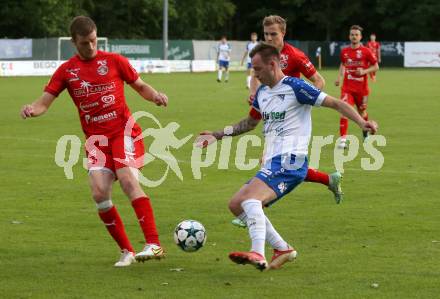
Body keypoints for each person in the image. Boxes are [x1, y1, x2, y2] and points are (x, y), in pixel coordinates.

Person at [196, 42, 378, 271]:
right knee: (236, 205)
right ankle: (282, 248)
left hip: (291, 160)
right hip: (274, 160)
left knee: (251, 202)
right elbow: (249, 123)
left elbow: (335, 103)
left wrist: (362, 122)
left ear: (272, 65)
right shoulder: (262, 93)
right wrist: (217, 135)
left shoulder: (295, 87)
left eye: (258, 69)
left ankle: (257, 252)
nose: (255, 74)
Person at [20, 16, 168, 267]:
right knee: (99, 193)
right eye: (84, 43)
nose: (90, 47)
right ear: (73, 42)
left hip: (124, 131)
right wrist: (32, 109)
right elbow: (44, 102)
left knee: (127, 179)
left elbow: (140, 85)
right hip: (96, 141)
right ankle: (127, 250)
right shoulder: (67, 71)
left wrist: (155, 96)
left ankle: (153, 244)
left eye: (93, 41)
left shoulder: (114, 61)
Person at [232, 15, 341, 230]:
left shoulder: (295, 55)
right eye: (266, 35)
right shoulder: (262, 53)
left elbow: (319, 80)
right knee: (286, 164)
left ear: (283, 33)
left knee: (271, 161)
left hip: (290, 117)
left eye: (274, 34)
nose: (270, 38)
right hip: (272, 112)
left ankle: (255, 208)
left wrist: (307, 102)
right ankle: (329, 180)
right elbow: (255, 75)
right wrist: (254, 93)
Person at [335, 25, 379, 149]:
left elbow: (376, 67)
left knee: (362, 112)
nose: (354, 36)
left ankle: (365, 132)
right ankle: (343, 140)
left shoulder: (366, 51)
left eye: (356, 35)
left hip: (362, 89)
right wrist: (339, 77)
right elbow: (343, 64)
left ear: (360, 37)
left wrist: (364, 71)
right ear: (349, 36)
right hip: (347, 88)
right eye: (352, 34)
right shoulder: (344, 51)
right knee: (344, 110)